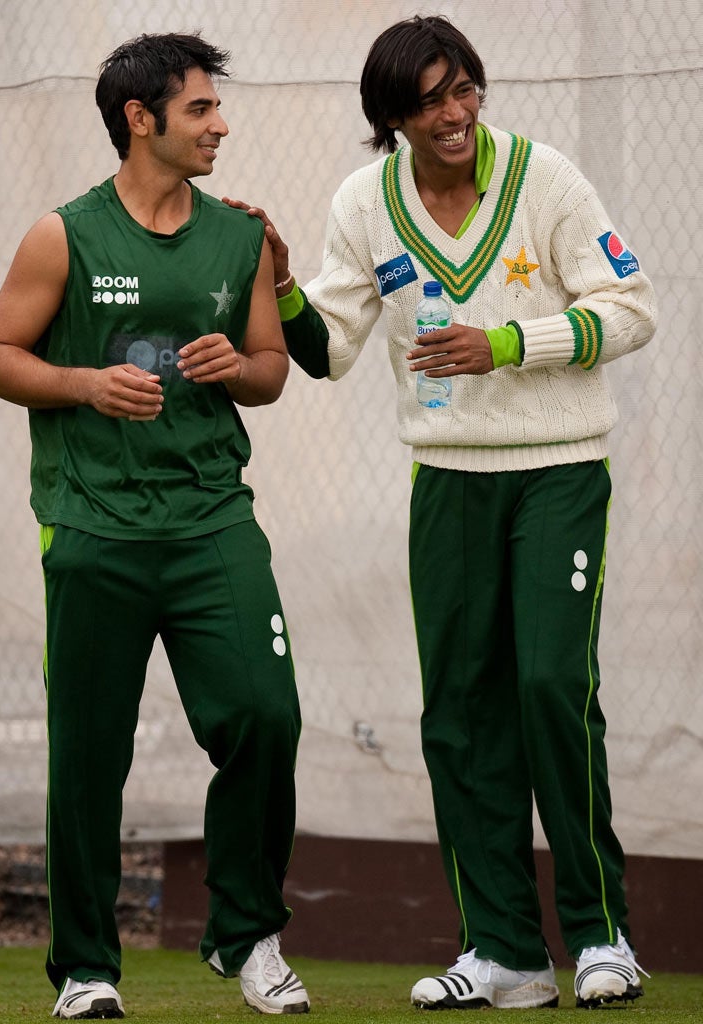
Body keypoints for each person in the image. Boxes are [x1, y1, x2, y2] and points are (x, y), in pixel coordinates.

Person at [226, 14, 656, 1012]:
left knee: (550, 684)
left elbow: (631, 306)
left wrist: (503, 346)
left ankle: (600, 935)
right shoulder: (363, 202)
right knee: (459, 715)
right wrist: (284, 284)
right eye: (430, 99)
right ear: (393, 118)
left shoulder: (543, 176)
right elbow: (329, 347)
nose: (455, 112)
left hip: (558, 470)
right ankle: (505, 949)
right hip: (447, 481)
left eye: (464, 88)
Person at [0, 32, 310, 1020]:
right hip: (93, 526)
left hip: (213, 523)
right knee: (88, 753)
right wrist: (83, 383)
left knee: (266, 714)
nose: (220, 124)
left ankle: (246, 934)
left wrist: (231, 369)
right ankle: (86, 968)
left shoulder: (240, 237)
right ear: (140, 119)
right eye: (201, 109)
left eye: (215, 108)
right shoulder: (62, 235)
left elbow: (272, 369)